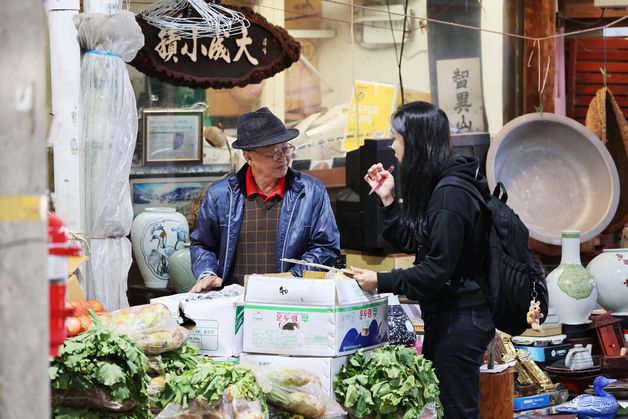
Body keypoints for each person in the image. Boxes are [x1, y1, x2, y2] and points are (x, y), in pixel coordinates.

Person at [351, 101, 495, 419]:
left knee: (456, 411)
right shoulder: (440, 186)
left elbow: (435, 271)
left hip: (462, 318)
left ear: (414, 143)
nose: (391, 146)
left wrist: (381, 281)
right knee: (444, 407)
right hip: (451, 316)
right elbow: (416, 244)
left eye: (396, 139)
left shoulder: (450, 195)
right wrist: (388, 198)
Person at [189, 107, 340, 292]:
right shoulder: (220, 195)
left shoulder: (311, 191)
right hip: (234, 300)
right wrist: (207, 272)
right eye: (274, 153)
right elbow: (203, 244)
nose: (283, 158)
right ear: (248, 156)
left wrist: (293, 277)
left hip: (291, 299)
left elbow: (326, 247)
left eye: (286, 149)